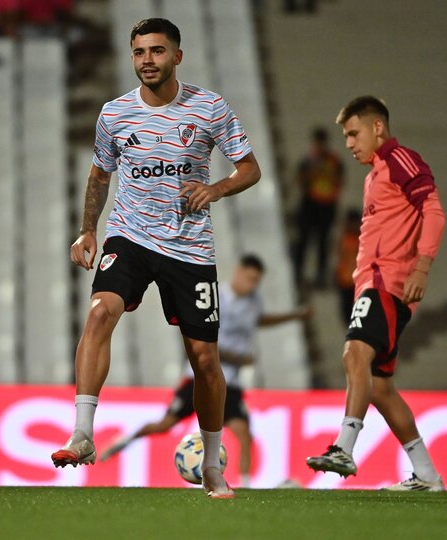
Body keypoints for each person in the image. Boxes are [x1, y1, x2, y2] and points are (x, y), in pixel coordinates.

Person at [50, 18, 261, 500]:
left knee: (204, 359)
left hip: (190, 247)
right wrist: (88, 229)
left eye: (157, 51)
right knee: (99, 312)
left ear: (177, 57)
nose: (147, 60)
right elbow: (99, 176)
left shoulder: (209, 107)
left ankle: (212, 463)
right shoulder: (115, 113)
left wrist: (216, 189)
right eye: (140, 52)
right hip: (130, 236)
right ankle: (82, 433)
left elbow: (250, 168)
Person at [305, 96, 447, 491]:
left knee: (354, 354)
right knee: (381, 388)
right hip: (374, 285)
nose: (349, 143)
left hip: (386, 282)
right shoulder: (374, 176)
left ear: (378, 127)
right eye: (345, 136)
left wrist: (421, 267)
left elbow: (434, 211)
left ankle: (344, 448)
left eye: (354, 133)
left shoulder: (399, 159)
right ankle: (427, 475)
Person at [97, 255, 311, 488]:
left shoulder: (254, 302)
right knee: (164, 425)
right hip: (198, 376)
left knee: (243, 433)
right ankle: (126, 440)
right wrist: (237, 357)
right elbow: (200, 339)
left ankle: (246, 485)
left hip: (231, 383)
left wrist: (293, 316)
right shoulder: (216, 296)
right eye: (249, 278)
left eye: (256, 281)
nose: (252, 284)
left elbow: (258, 319)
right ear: (238, 272)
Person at [292, 127, 344, 288]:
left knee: (323, 243)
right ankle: (297, 274)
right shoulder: (308, 160)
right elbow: (299, 180)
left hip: (326, 207)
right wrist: (313, 170)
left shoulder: (334, 161)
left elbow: (339, 182)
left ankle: (320, 277)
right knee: (303, 241)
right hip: (309, 205)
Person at [334, 208, 361, 326]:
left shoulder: (362, 239)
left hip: (357, 282)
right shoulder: (344, 238)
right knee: (346, 312)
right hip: (345, 281)